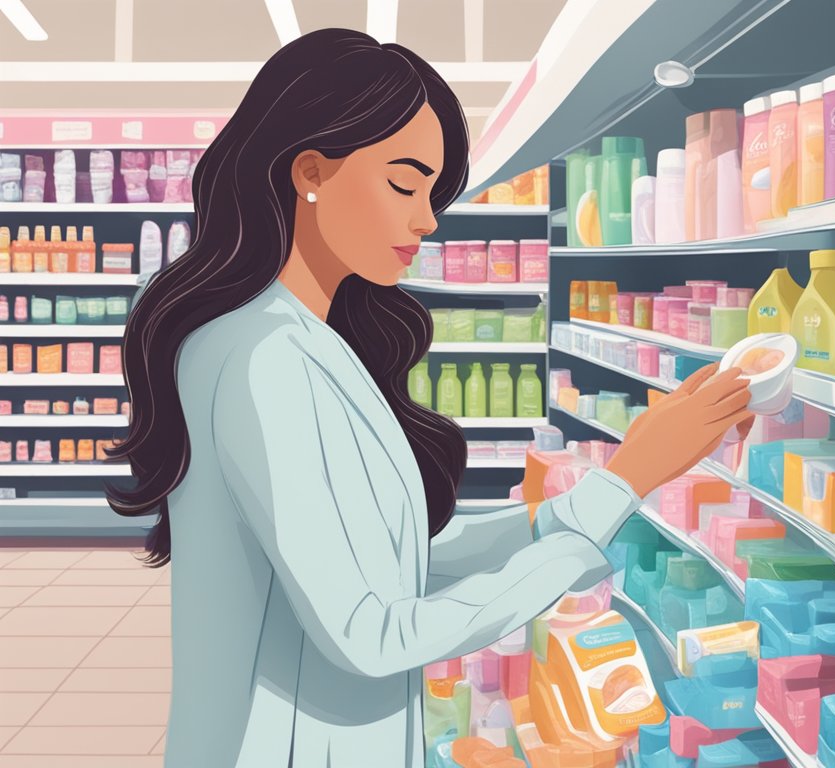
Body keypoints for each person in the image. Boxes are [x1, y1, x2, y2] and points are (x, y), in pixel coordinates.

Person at [107, 29, 752, 768]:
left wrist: (585, 503)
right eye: (404, 183)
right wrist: (626, 482)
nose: (427, 219)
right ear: (311, 171)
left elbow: (394, 558)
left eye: (432, 192)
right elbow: (370, 632)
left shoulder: (309, 341)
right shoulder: (264, 358)